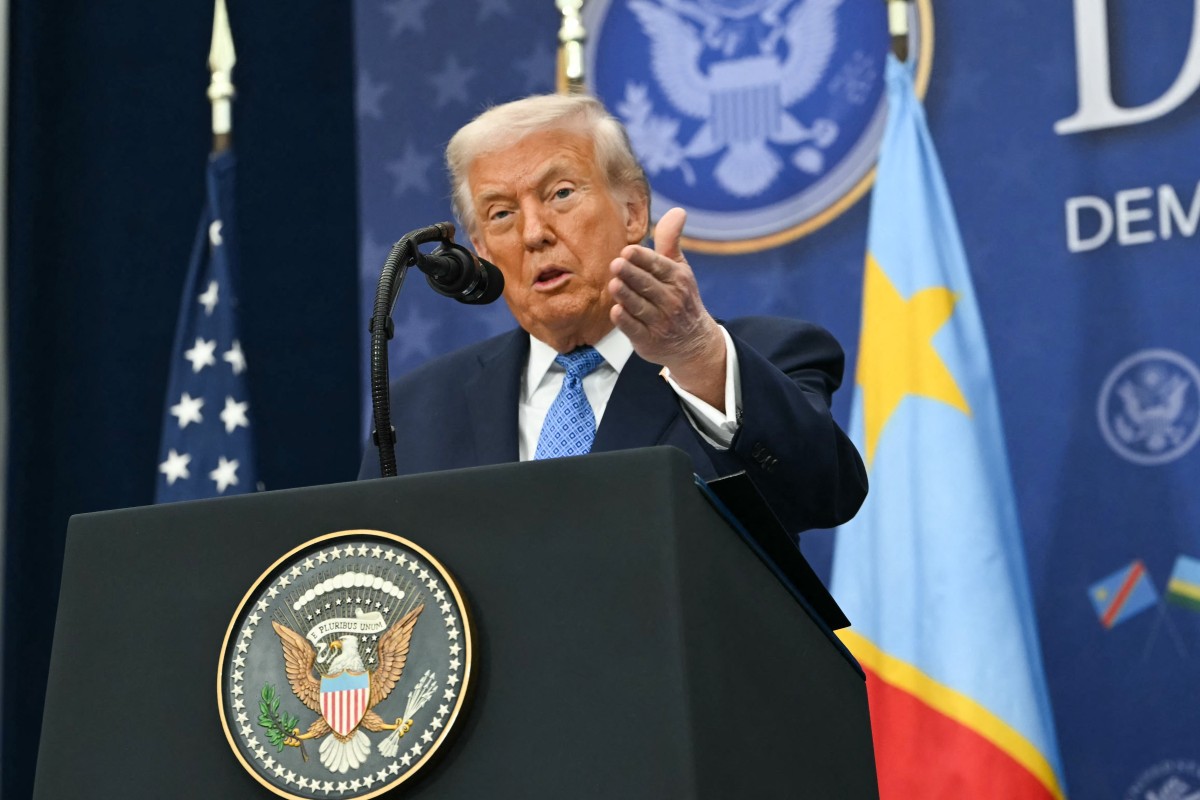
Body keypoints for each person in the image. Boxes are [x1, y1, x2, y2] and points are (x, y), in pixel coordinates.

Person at [359, 93, 866, 536]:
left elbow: (825, 496)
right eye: (501, 214)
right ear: (480, 250)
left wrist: (696, 354)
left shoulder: (760, 359)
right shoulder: (418, 411)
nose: (534, 232)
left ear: (633, 212)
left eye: (560, 194)